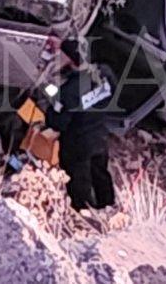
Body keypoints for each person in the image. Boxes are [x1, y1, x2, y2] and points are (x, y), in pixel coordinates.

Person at [45, 38, 115, 210]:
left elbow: (56, 122)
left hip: (77, 145)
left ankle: (82, 215)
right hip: (100, 137)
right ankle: (109, 206)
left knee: (78, 181)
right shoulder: (105, 75)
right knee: (100, 173)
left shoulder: (68, 92)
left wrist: (50, 92)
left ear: (70, 60)